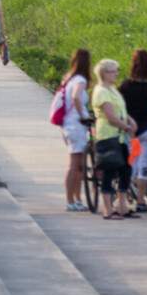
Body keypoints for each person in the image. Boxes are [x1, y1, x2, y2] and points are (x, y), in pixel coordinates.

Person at [92, 58, 137, 219]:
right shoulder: (101, 91)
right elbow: (110, 115)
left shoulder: (112, 89)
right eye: (113, 71)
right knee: (110, 170)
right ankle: (107, 208)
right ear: (104, 73)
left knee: (125, 169)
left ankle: (123, 205)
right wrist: (125, 126)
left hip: (120, 136)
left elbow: (120, 110)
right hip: (108, 134)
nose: (116, 74)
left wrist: (130, 120)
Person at [120, 49, 147, 209]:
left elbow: (121, 108)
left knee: (131, 160)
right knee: (145, 164)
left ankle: (124, 196)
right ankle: (140, 200)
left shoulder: (125, 86)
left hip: (130, 129)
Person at [58, 48, 93, 212]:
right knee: (75, 165)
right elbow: (76, 97)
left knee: (78, 165)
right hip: (76, 124)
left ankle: (77, 199)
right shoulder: (80, 80)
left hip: (67, 124)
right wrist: (83, 115)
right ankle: (70, 200)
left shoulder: (69, 78)